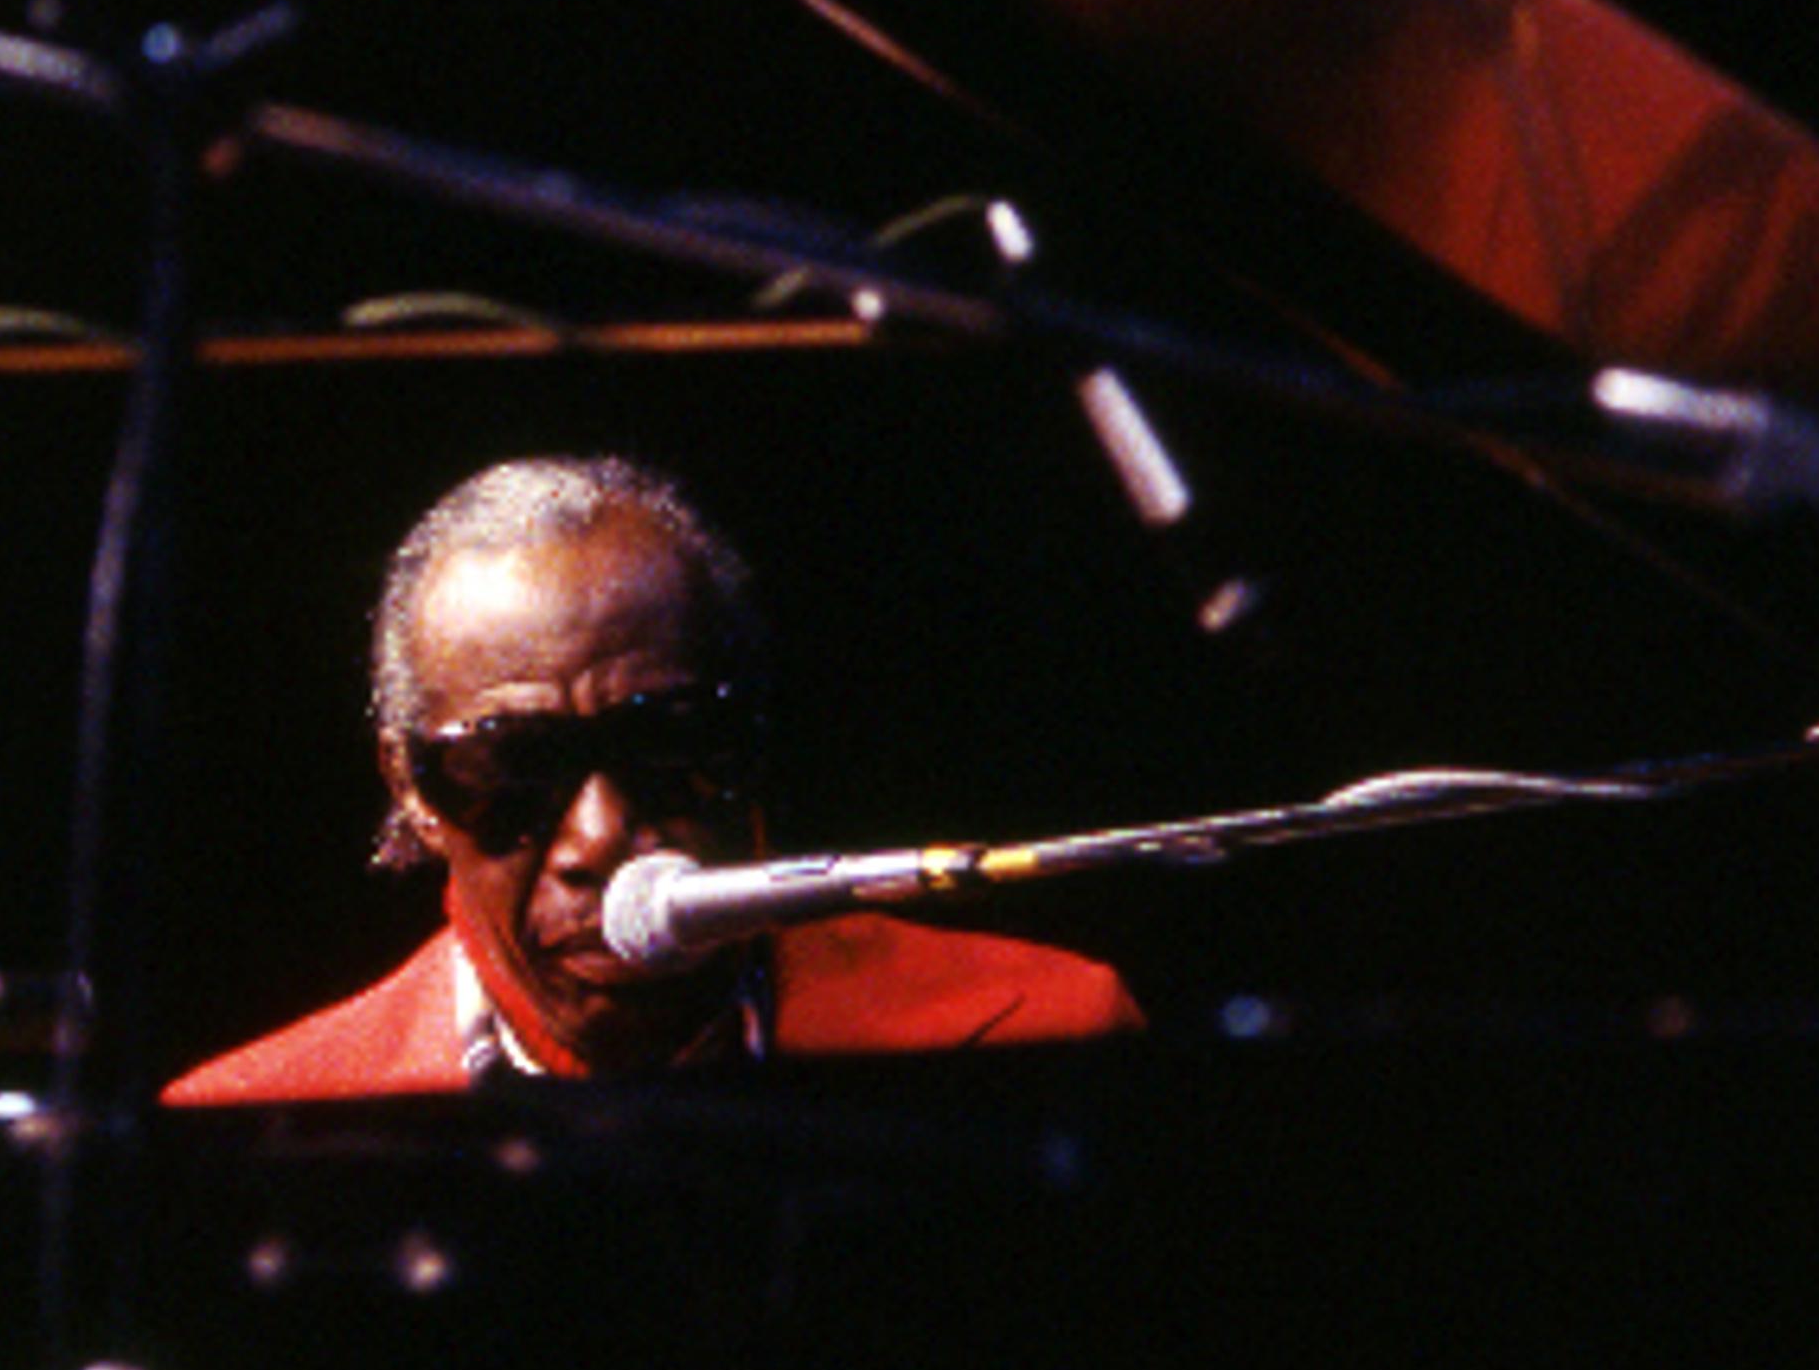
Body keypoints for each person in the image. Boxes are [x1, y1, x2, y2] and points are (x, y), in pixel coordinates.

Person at [163, 455, 1139, 1102]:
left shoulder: (1046, 1039)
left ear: (748, 735)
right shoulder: (254, 1125)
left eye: (666, 741)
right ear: (411, 784)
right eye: (515, 761)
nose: (600, 838)